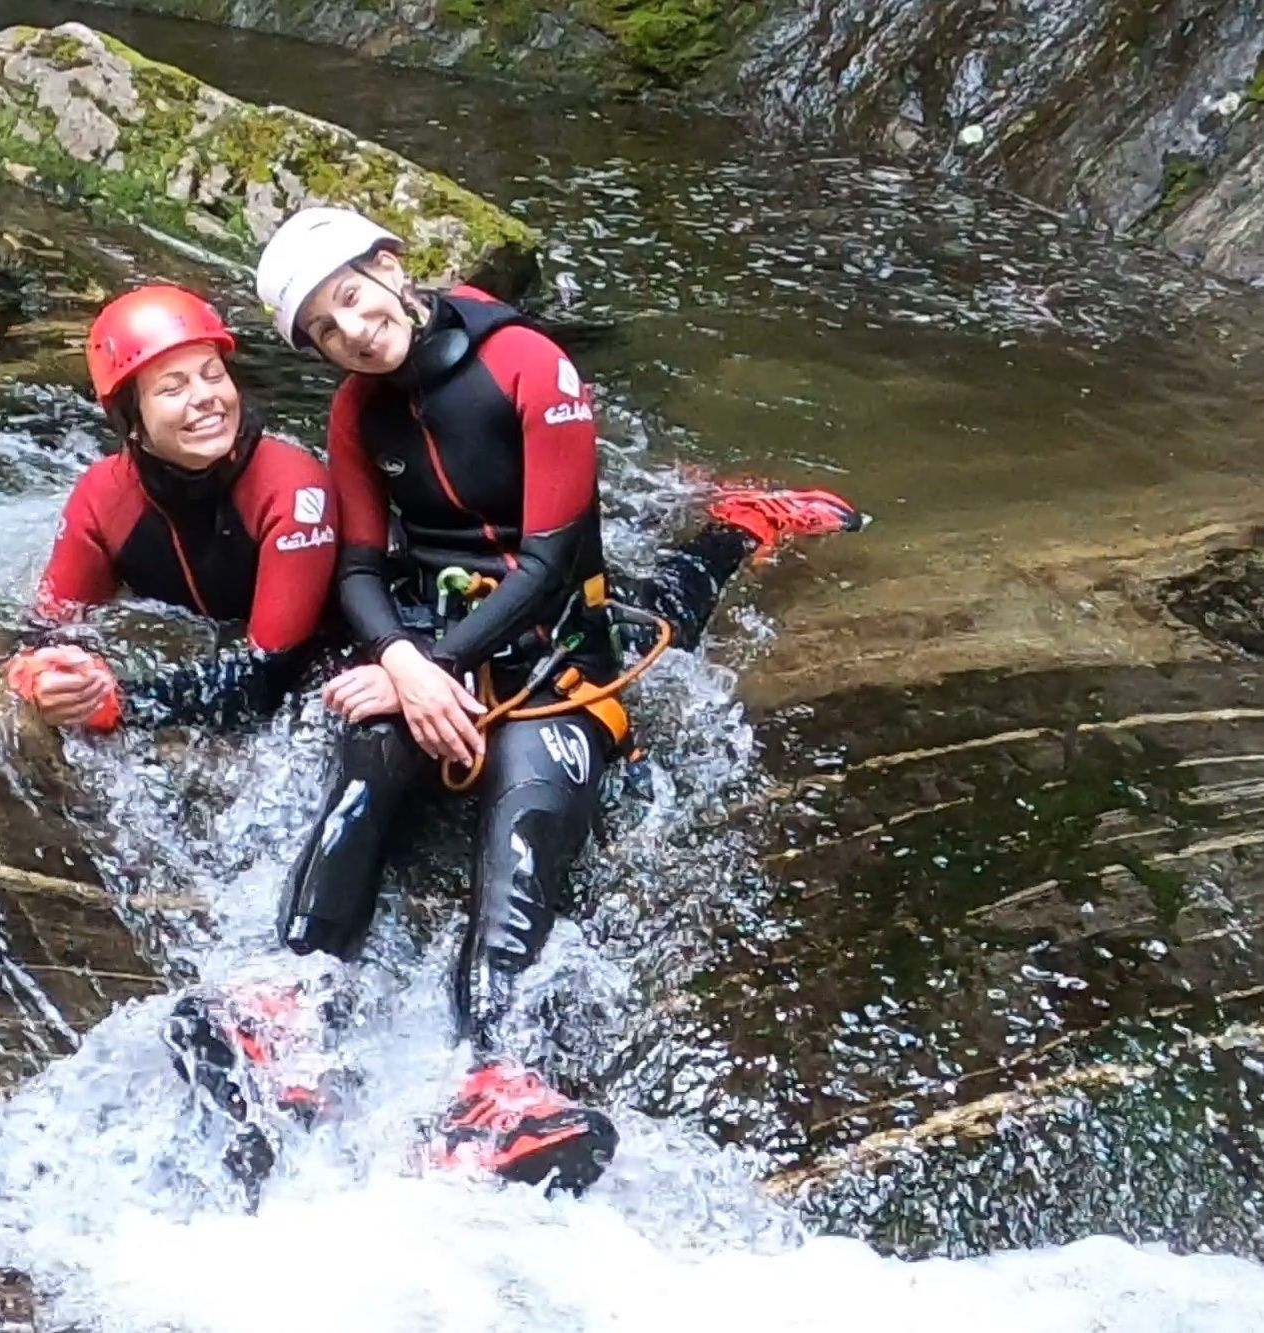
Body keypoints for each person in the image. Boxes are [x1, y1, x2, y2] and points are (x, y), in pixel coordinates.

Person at [182, 206, 864, 1194]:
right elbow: (360, 565)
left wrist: (434, 663)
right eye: (324, 329)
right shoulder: (356, 412)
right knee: (369, 758)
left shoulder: (529, 365)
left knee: (541, 791)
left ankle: (493, 1077)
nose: (352, 331)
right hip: (437, 643)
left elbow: (548, 561)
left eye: (354, 300)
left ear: (391, 267)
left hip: (555, 648)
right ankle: (289, 1000)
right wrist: (406, 662)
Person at [5, 285, 339, 731]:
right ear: (133, 424)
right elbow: (44, 629)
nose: (205, 397)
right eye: (172, 387)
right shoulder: (105, 496)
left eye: (213, 374)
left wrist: (120, 704)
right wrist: (41, 678)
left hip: (312, 674)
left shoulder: (292, 488)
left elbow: (271, 677)